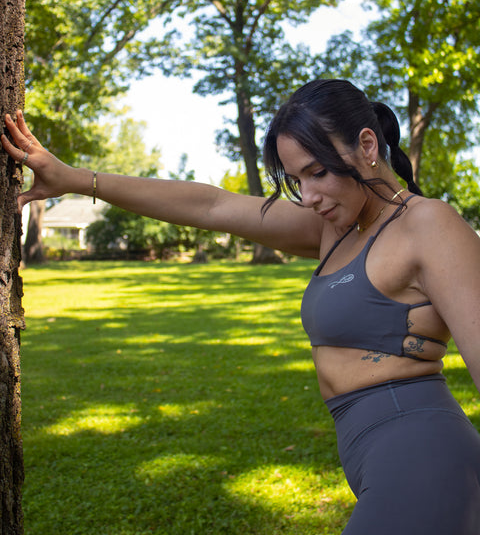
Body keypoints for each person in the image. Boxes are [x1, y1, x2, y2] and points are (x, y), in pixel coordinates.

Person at [2, 78, 480, 534]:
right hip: (371, 451)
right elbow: (212, 207)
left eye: (318, 171)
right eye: (296, 179)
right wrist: (77, 179)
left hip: (425, 455)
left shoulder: (427, 225)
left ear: (368, 145)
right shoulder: (336, 228)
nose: (309, 196)